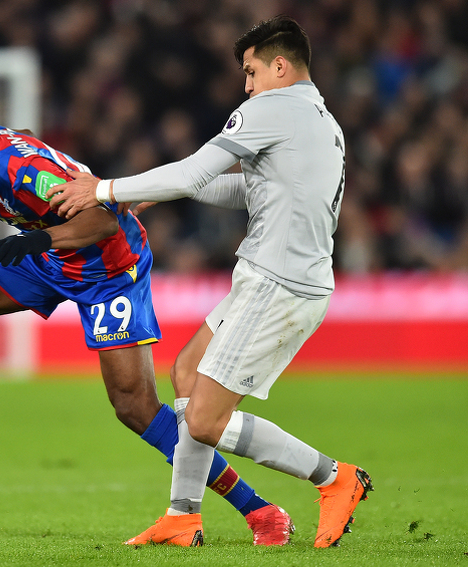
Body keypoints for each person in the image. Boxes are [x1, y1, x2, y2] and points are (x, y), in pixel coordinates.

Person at [0, 90, 294, 546]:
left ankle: (260, 511)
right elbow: (27, 140)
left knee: (134, 407)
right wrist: (53, 215)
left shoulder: (12, 168)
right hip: (53, 253)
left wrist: (41, 238)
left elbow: (102, 221)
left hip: (108, 268)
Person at [46, 16, 372, 549]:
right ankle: (182, 516)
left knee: (202, 420)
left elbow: (193, 171)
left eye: (251, 71)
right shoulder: (322, 121)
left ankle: (335, 478)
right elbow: (252, 191)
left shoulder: (272, 107)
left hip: (278, 283)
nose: (246, 85)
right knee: (187, 372)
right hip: (283, 277)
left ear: (280, 66)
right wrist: (158, 191)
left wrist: (104, 189)